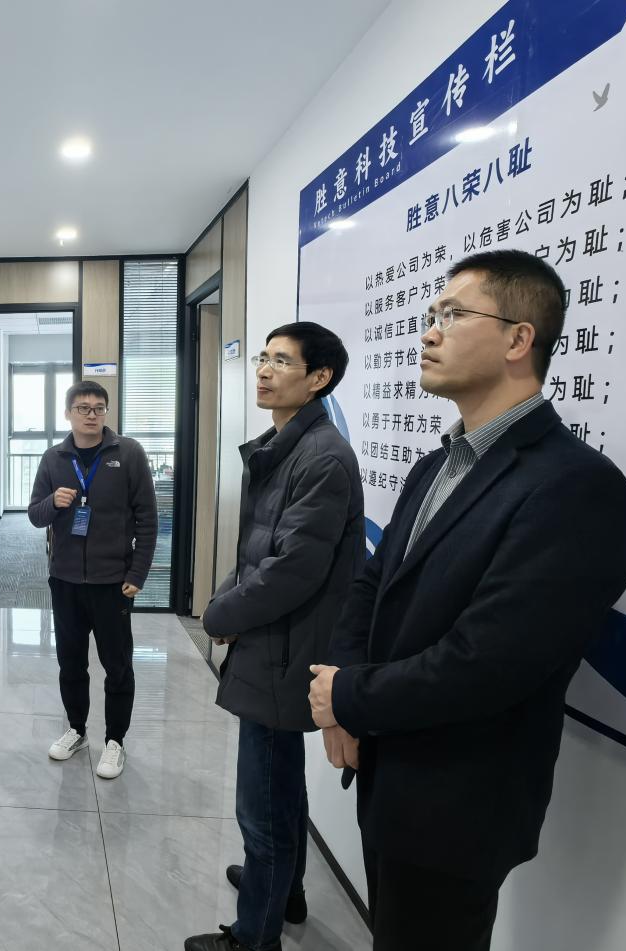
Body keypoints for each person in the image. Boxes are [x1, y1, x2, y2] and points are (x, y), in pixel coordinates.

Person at [308, 249, 626, 951]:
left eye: (453, 314)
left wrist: (349, 697)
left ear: (520, 339)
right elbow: (372, 585)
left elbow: (488, 661)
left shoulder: (577, 487)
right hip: (384, 768)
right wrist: (342, 696)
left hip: (457, 802)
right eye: (431, 314)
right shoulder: (436, 464)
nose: (429, 331)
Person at [185, 323, 364, 951]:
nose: (263, 370)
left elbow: (291, 570)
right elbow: (257, 552)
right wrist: (227, 602)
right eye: (263, 357)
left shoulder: (321, 457)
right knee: (280, 782)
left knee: (261, 802)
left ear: (319, 378)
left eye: (281, 361)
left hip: (284, 648)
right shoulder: (285, 445)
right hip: (275, 641)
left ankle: (254, 937)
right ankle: (285, 893)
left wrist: (220, 616)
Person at [27, 380, 158, 780]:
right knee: (71, 663)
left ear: (106, 412)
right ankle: (77, 730)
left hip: (112, 583)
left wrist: (137, 572)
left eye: (99, 408)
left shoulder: (129, 454)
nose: (91, 415)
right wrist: (54, 503)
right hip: (65, 581)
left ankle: (115, 740)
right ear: (68, 413)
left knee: (117, 666)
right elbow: (34, 515)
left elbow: (148, 519)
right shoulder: (54, 458)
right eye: (83, 408)